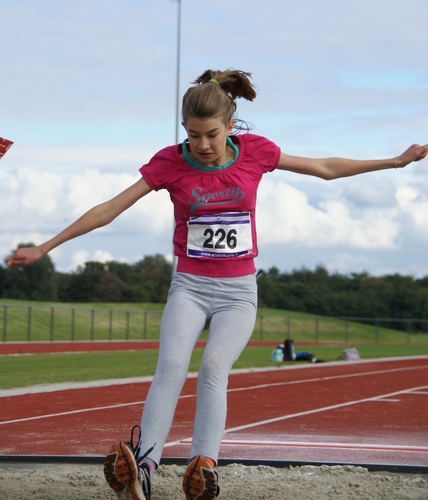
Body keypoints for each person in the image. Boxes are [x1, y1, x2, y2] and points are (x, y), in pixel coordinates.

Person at [7, 69, 427, 500]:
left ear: (230, 126)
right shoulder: (170, 162)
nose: (203, 145)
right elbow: (110, 209)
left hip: (238, 292)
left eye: (211, 134)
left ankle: (201, 467)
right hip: (189, 285)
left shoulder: (256, 153)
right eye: (193, 135)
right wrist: (45, 246)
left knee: (212, 370)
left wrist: (395, 161)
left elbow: (323, 168)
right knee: (170, 368)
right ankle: (144, 468)